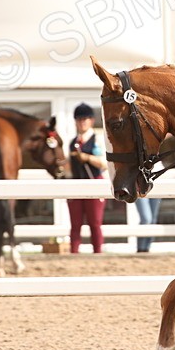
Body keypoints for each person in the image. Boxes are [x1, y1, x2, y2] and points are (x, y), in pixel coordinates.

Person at [67, 103, 107, 253]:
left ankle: (98, 252)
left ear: (91, 120)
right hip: (76, 183)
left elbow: (104, 163)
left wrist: (87, 158)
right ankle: (74, 252)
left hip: (94, 181)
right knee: (75, 222)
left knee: (95, 222)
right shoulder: (73, 142)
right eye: (79, 119)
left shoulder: (97, 140)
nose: (82, 122)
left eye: (85, 118)